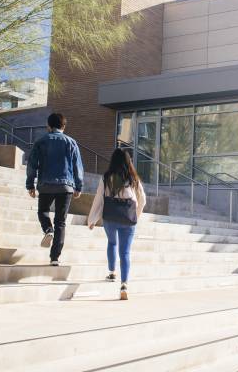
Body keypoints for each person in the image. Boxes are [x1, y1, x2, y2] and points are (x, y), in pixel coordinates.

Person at [87, 148, 147, 300]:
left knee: (112, 243)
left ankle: (112, 272)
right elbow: (143, 200)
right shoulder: (133, 178)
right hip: (128, 219)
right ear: (128, 161)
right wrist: (136, 216)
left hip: (110, 217)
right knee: (125, 252)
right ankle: (124, 285)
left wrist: (92, 219)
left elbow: (99, 199)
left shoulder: (106, 177)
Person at [25, 113, 83, 266]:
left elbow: (32, 165)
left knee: (43, 211)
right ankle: (55, 258)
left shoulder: (41, 141)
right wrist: (78, 186)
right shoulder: (71, 142)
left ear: (48, 126)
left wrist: (30, 184)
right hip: (66, 186)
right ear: (64, 126)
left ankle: (47, 229)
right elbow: (78, 167)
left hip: (45, 184)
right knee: (61, 222)